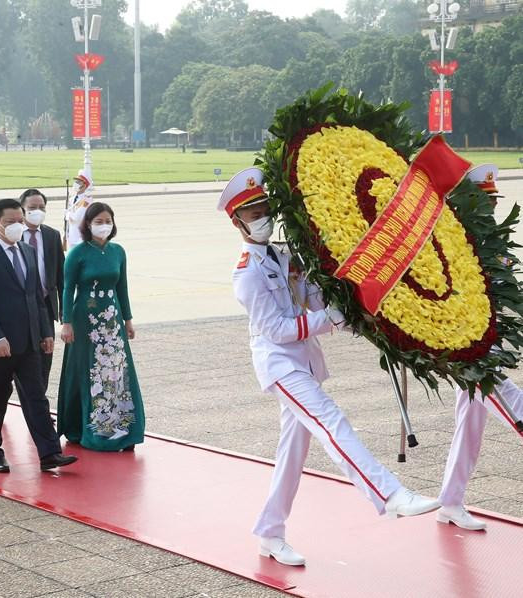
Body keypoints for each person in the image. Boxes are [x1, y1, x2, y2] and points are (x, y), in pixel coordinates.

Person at [223, 168, 439, 567]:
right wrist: (331, 320)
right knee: (331, 421)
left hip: (303, 360)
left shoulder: (284, 256)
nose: (262, 217)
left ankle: (270, 532)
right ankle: (390, 494)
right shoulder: (247, 274)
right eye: (253, 214)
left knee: (292, 452)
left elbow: (310, 297)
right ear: (237, 223)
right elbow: (276, 329)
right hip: (280, 364)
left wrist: (347, 305)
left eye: (265, 208)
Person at [437, 164, 523, 531]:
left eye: (492, 201)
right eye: (482, 202)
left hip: (485, 343)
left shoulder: (491, 241)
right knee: (513, 405)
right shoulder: (449, 245)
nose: (489, 209)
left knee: (470, 425)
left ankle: (450, 502)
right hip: (464, 351)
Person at [0, 198, 78, 473]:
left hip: (29, 341)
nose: (17, 225)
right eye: (10, 222)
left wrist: (44, 332)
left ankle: (50, 452)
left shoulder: (27, 252)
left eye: (20, 220)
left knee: (36, 398)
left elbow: (36, 297)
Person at [57, 202, 144, 452]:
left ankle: (122, 425)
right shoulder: (78, 253)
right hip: (85, 321)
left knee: (116, 371)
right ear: (87, 225)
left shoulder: (118, 252)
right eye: (98, 221)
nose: (104, 225)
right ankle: (88, 427)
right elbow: (67, 288)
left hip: (112, 320)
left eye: (108, 220)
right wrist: (66, 322)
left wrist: (127, 319)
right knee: (89, 371)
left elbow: (122, 287)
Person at [19, 188, 64, 392]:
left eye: (42, 208)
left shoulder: (52, 235)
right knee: (24, 359)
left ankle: (40, 400)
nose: (37, 211)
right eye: (32, 208)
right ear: (22, 209)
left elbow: (61, 275)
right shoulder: (13, 234)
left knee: (46, 356)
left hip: (46, 304)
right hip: (21, 305)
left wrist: (64, 310)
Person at [64, 171, 92, 249]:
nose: (76, 183)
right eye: (76, 181)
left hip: (80, 237)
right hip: (71, 236)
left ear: (84, 185)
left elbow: (76, 218)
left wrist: (68, 214)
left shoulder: (86, 200)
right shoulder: (72, 199)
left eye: (79, 182)